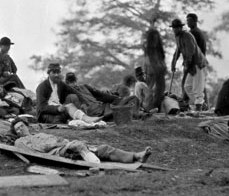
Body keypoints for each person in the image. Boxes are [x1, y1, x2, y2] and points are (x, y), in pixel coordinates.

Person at [9, 117, 152, 164]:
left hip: (64, 146)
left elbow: (58, 138)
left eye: (22, 126)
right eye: (17, 129)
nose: (20, 129)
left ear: (27, 126)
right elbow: (37, 150)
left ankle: (137, 156)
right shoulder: (20, 142)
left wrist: (61, 141)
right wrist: (57, 143)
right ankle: (96, 165)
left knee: (104, 148)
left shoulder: (39, 134)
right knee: (78, 145)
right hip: (57, 152)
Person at [36, 64, 106, 123]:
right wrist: (57, 109)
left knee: (73, 97)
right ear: (49, 73)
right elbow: (41, 108)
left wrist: (83, 103)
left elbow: (75, 92)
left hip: (61, 109)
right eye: (53, 73)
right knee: (63, 114)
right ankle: (85, 119)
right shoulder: (42, 87)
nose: (56, 75)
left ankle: (84, 118)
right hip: (46, 114)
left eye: (58, 72)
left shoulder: (60, 83)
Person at [170, 18, 208, 114]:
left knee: (197, 88)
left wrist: (186, 63)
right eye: (173, 28)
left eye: (176, 28)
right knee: (187, 87)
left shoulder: (187, 35)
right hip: (191, 65)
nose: (174, 30)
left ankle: (199, 108)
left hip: (197, 63)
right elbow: (177, 51)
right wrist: (173, 63)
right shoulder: (178, 37)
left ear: (180, 28)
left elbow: (190, 50)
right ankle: (201, 104)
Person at [142, 27, 167, 111]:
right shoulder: (148, 49)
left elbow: (161, 63)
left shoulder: (159, 50)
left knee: (158, 95)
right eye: (154, 39)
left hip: (159, 75)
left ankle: (157, 111)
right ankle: (150, 111)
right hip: (151, 75)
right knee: (150, 95)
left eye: (157, 39)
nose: (155, 41)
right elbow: (147, 63)